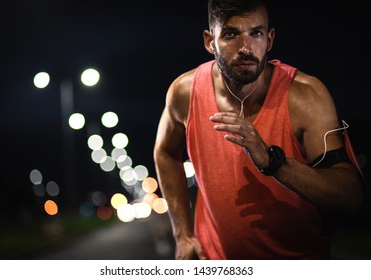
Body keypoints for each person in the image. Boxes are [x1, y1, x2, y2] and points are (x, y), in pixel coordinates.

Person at [153, 0, 365, 260]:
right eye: (231, 34)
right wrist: (182, 235)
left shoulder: (305, 96)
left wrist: (273, 161)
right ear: (210, 41)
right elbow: (164, 152)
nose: (245, 48)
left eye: (256, 33)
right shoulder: (185, 91)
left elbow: (350, 198)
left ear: (270, 39)